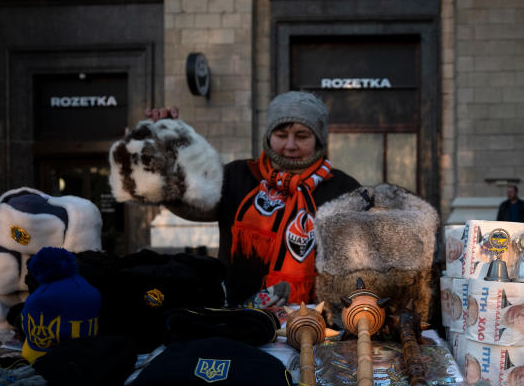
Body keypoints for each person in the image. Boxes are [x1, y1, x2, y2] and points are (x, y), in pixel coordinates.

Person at [143, 91, 361, 306]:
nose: (290, 145)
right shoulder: (238, 175)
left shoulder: (344, 189)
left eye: (302, 136)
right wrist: (168, 150)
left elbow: (361, 261)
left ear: (319, 139)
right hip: (238, 315)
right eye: (281, 135)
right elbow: (191, 204)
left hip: (314, 324)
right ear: (268, 136)